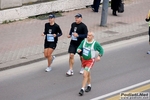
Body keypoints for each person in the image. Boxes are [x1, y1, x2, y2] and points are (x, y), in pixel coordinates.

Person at [77, 32, 104, 96]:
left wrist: (99, 56)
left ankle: (82, 89)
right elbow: (79, 47)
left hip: (90, 61)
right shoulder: (84, 41)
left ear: (92, 37)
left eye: (89, 35)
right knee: (88, 74)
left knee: (85, 74)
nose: (88, 36)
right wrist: (78, 50)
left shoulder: (95, 43)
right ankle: (89, 85)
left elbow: (101, 50)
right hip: (84, 60)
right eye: (87, 35)